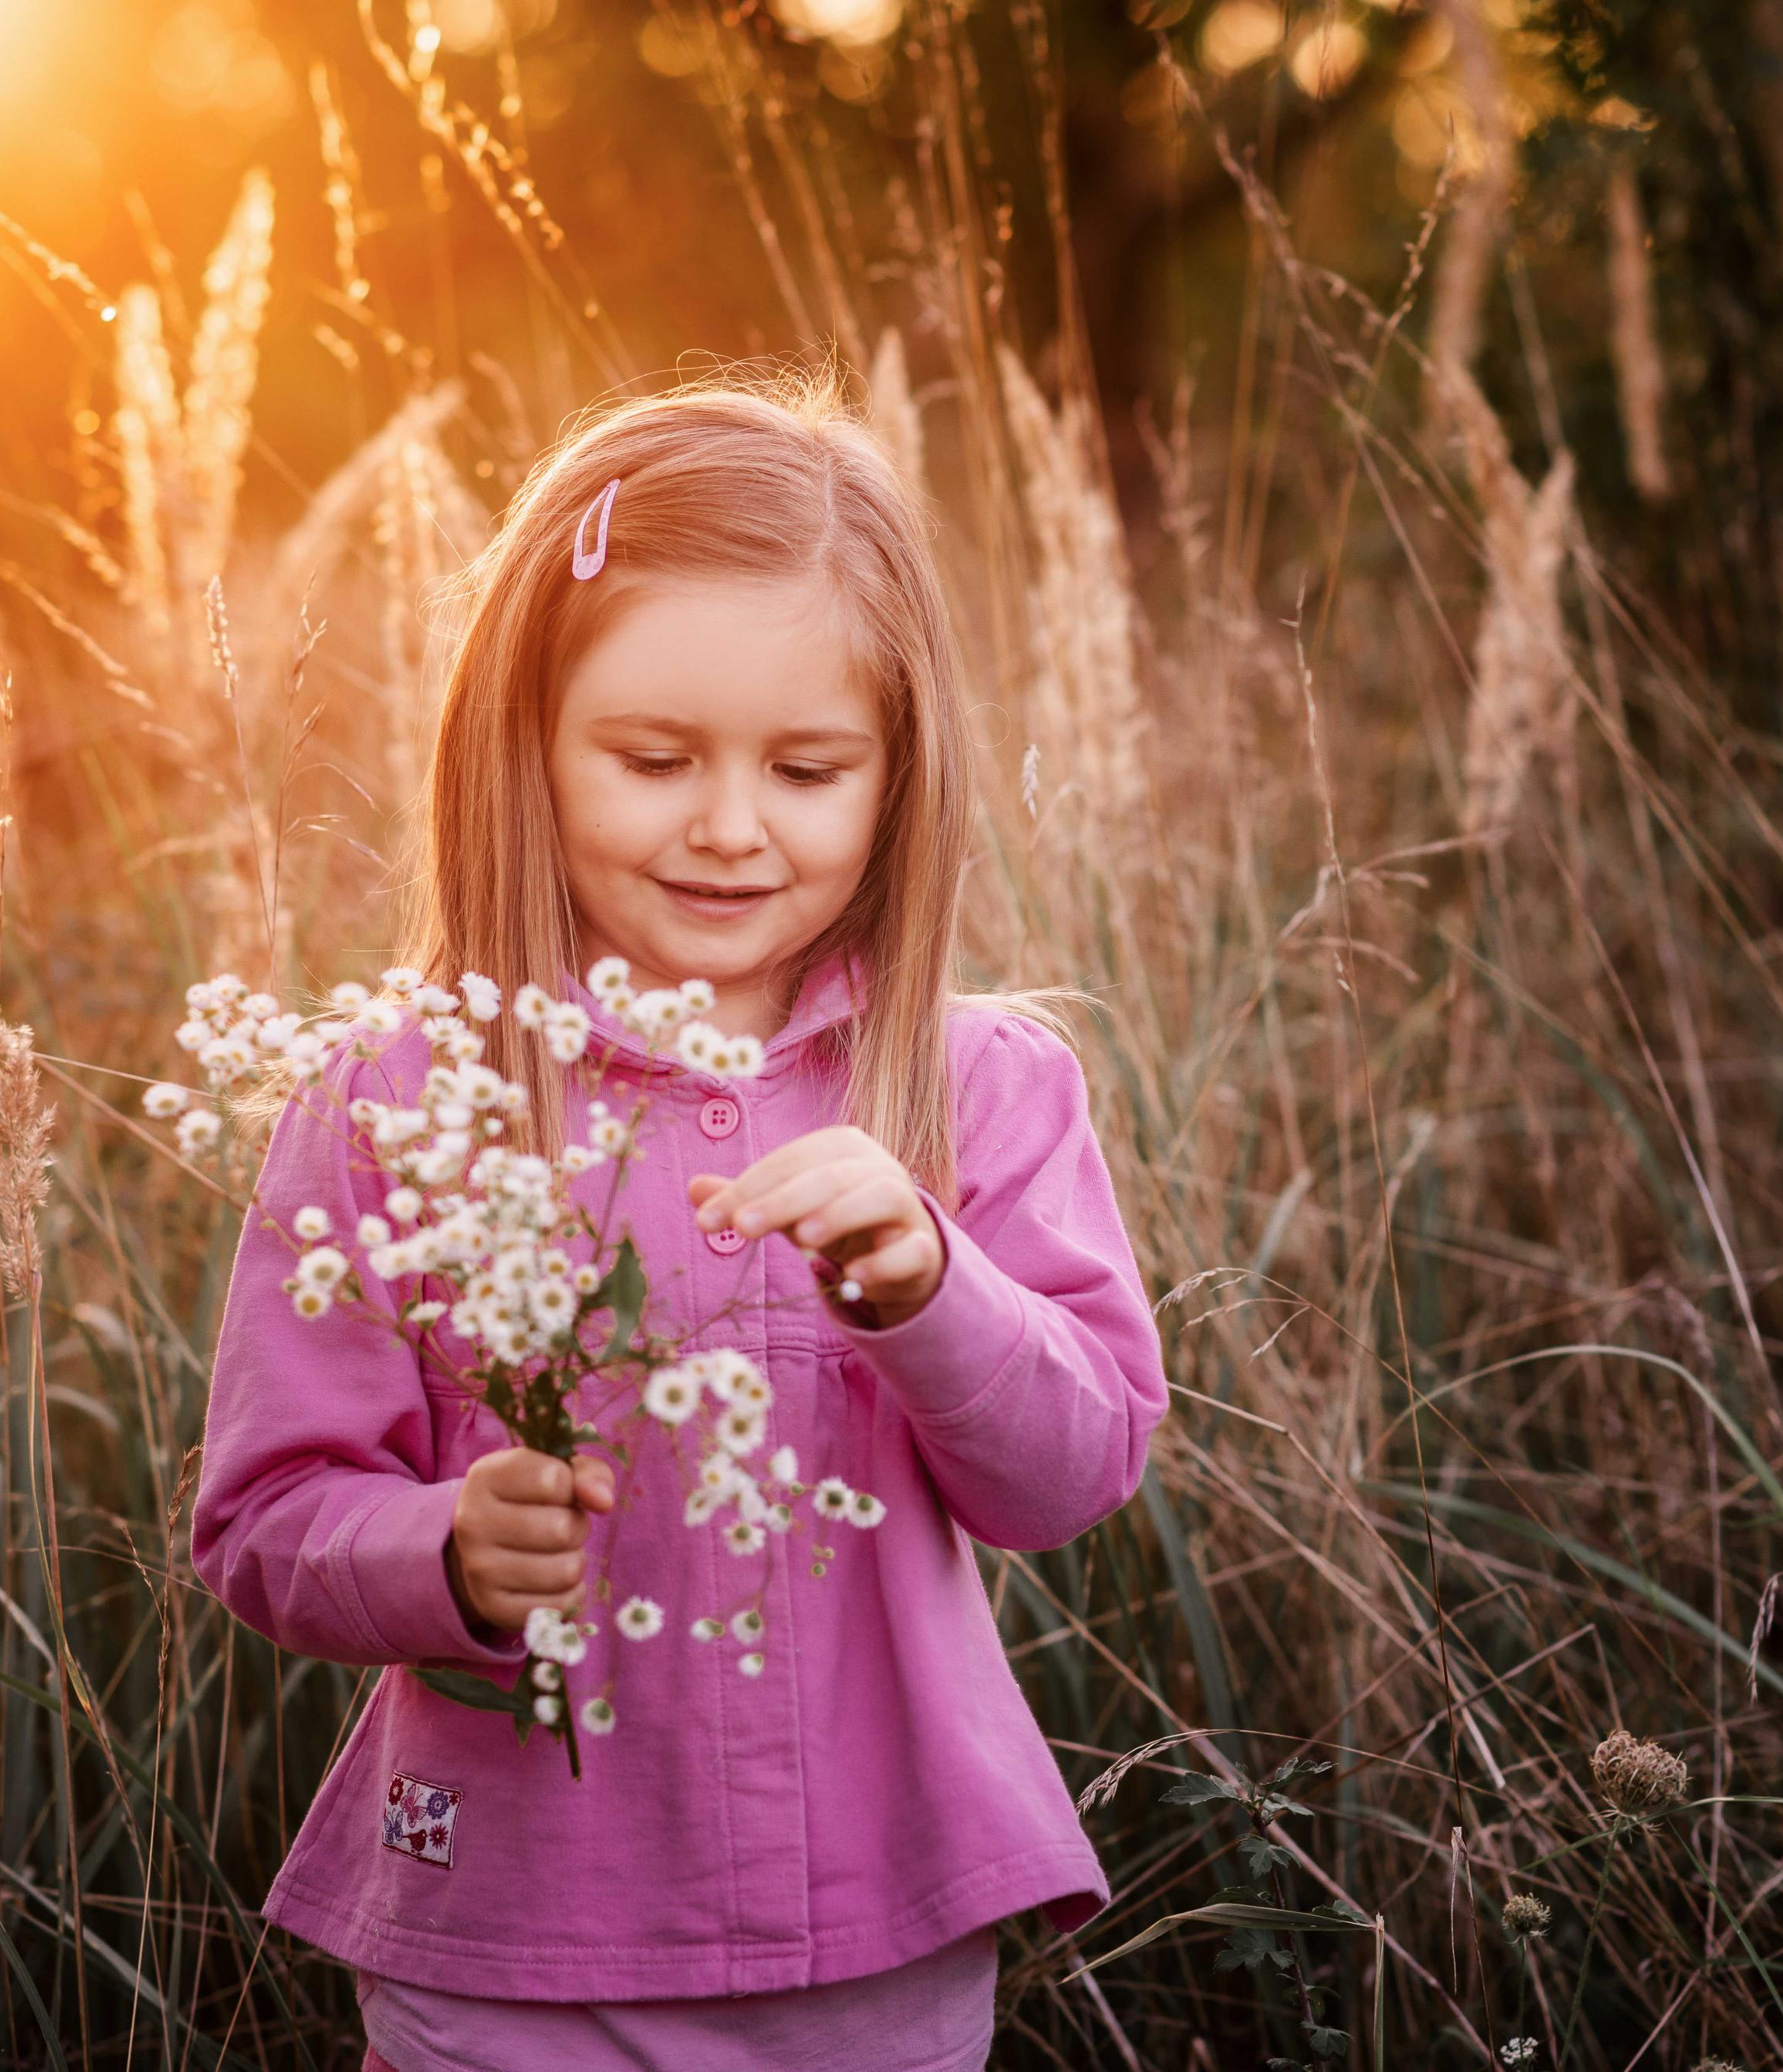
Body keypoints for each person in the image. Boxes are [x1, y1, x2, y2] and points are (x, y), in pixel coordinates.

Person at [189, 368, 1171, 2072]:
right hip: (506, 1951)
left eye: (806, 767)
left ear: (895, 773)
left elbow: (1068, 1473)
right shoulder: (395, 1098)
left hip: (879, 1933)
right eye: (651, 759)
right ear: (532, 743)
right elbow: (263, 1517)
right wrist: (439, 1553)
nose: (728, 826)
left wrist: (931, 1287)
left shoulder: (978, 1087)